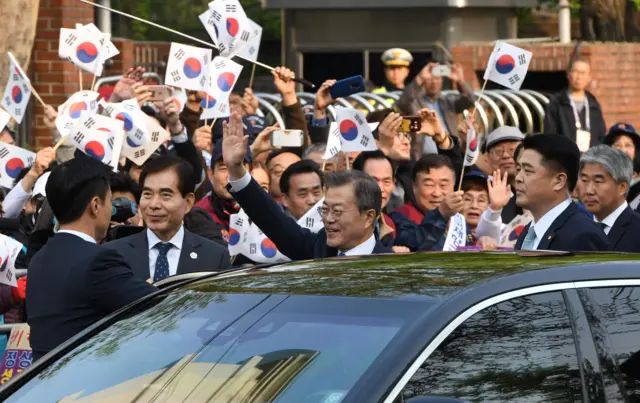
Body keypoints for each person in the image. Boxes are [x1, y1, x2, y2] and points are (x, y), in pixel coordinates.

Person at [27, 156, 157, 360]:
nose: (111, 210)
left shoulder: (38, 259)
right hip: (87, 385)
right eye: (110, 201)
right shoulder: (98, 262)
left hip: (44, 383)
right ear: (95, 205)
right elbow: (159, 307)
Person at [223, 112, 393, 259]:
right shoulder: (317, 248)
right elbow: (273, 220)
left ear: (369, 217)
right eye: (325, 210)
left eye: (338, 211)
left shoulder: (392, 269)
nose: (328, 219)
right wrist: (236, 169)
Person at [107, 156, 230, 281]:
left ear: (188, 202)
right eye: (147, 194)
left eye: (165, 195)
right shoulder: (113, 254)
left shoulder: (215, 257)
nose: (154, 205)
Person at [514, 134, 611, 251]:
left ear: (559, 181)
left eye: (528, 171)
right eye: (518, 169)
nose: (518, 178)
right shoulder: (528, 232)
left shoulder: (583, 235)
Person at [397, 61, 476, 158]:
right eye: (430, 78)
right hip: (421, 158)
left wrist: (460, 81)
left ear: (442, 80)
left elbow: (470, 101)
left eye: (437, 78)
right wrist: (419, 78)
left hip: (448, 155)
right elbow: (403, 103)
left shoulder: (447, 101)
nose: (434, 82)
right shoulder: (414, 102)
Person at [579, 145, 640, 252]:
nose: (588, 190)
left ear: (622, 187)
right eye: (584, 180)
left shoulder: (637, 230)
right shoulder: (576, 228)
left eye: (598, 181)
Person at [544, 58, 606, 151]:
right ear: (568, 74)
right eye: (575, 72)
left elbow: (601, 134)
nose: (579, 77)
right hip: (565, 157)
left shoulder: (593, 104)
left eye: (583, 73)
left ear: (589, 77)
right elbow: (550, 132)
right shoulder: (558, 102)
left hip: (590, 158)